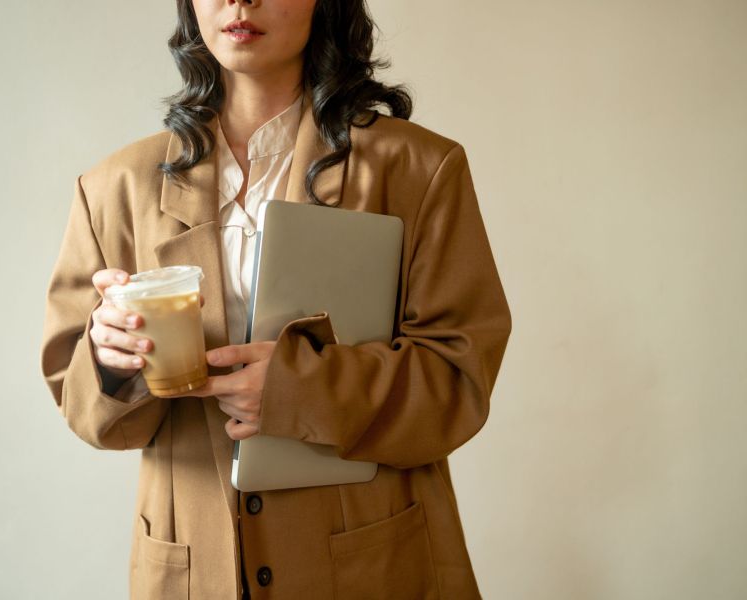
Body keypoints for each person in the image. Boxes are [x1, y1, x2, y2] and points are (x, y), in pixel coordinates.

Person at [40, 0, 513, 598]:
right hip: (192, 570)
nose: (241, 1)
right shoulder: (114, 188)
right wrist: (111, 361)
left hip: (368, 562)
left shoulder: (419, 168)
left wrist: (300, 389)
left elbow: (459, 379)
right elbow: (83, 410)